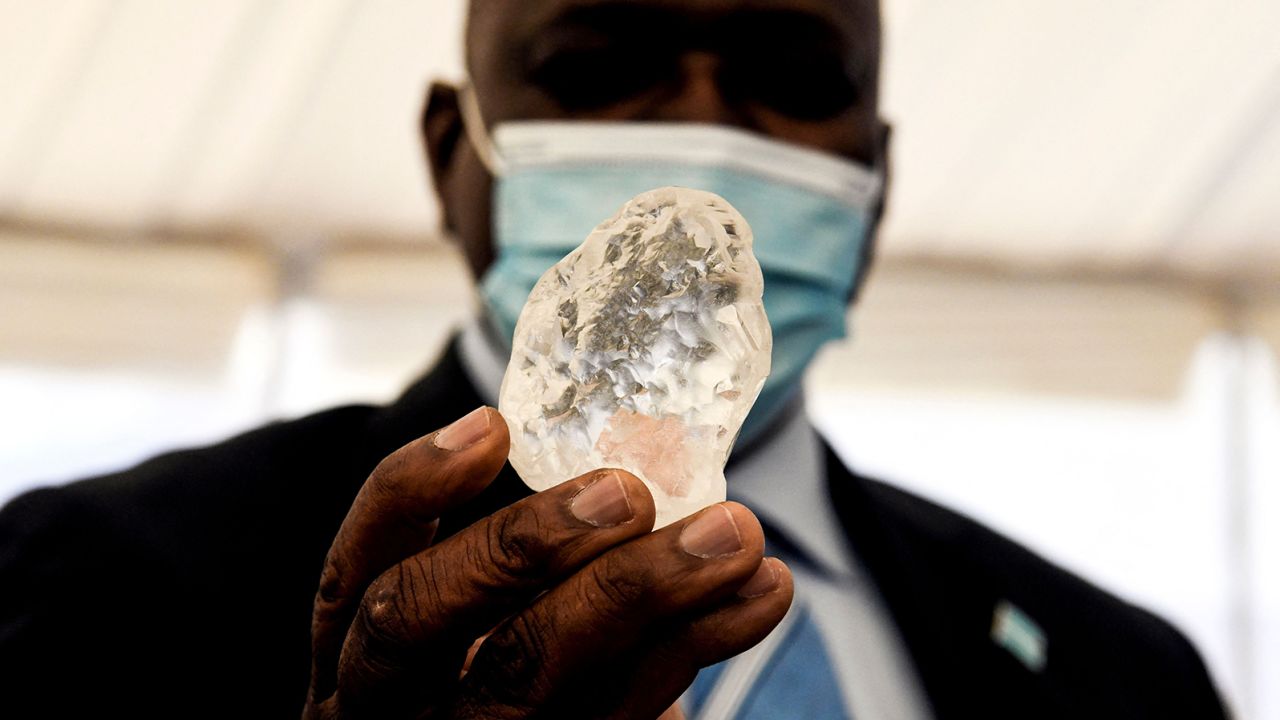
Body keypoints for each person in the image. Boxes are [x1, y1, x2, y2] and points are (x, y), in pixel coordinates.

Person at [0, 1, 1228, 718]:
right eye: (594, 66)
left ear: (877, 178)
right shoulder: (87, 586)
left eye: (791, 75)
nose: (698, 120)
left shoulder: (1127, 680)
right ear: (449, 157)